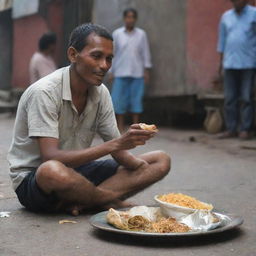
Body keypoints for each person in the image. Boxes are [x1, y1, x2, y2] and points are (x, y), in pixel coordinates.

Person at [8, 23, 170, 216]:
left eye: (109, 59)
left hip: (77, 173)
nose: (104, 65)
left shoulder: (101, 93)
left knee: (160, 160)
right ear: (73, 55)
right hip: (36, 182)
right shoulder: (45, 92)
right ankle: (107, 201)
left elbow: (119, 152)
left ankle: (83, 201)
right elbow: (50, 157)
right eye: (96, 56)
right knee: (52, 170)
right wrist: (116, 144)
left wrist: (141, 169)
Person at [217, 0, 256, 140]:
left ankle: (245, 129)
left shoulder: (254, 14)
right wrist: (220, 64)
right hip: (230, 63)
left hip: (249, 63)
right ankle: (231, 129)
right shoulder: (226, 16)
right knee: (229, 98)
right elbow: (222, 41)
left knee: (246, 98)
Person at [109, 8, 152, 133]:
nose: (130, 19)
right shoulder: (117, 34)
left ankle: (136, 126)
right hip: (120, 72)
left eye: (132, 17)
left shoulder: (141, 34)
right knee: (118, 100)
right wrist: (111, 71)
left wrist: (146, 70)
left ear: (135, 19)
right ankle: (120, 126)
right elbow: (113, 53)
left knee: (136, 100)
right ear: (124, 18)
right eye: (128, 17)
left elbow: (145, 52)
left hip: (137, 72)